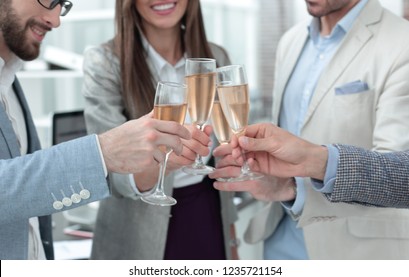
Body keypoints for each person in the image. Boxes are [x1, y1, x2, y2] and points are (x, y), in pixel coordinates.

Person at [211, 0, 409, 259]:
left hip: (351, 252)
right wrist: (284, 187)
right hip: (279, 241)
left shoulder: (401, 42)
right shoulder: (290, 41)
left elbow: (397, 176)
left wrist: (302, 183)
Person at [0, 0, 191, 260]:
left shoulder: (10, 79)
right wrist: (103, 152)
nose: (55, 20)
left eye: (62, 5)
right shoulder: (105, 61)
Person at [82, 0, 238, 260]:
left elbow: (224, 157)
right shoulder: (104, 62)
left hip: (206, 213)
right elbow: (111, 172)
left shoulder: (216, 57)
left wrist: (231, 240)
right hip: (136, 230)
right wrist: (170, 163)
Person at [212, 123, 409, 209]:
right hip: (279, 238)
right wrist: (289, 186)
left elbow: (401, 175)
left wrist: (315, 161)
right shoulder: (290, 43)